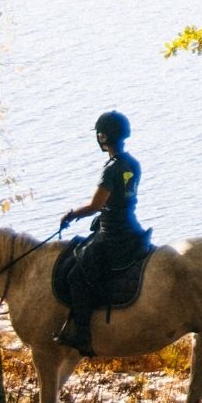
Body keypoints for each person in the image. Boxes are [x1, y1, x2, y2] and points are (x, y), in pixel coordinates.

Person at [54, 111, 148, 355]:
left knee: (76, 275)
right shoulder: (132, 163)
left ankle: (82, 335)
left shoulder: (111, 170)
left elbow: (96, 205)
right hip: (131, 228)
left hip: (112, 233)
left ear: (103, 136)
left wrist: (71, 214)